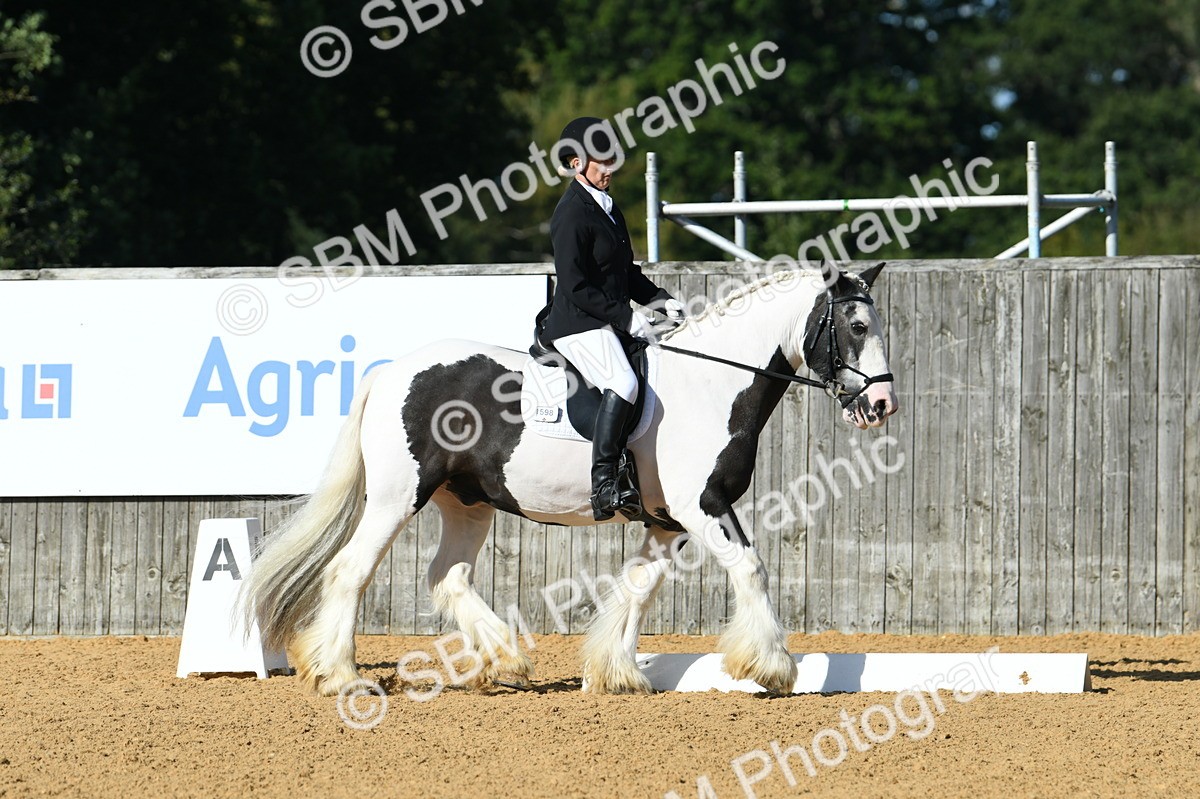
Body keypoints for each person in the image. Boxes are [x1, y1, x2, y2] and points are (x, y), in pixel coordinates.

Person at [536, 116, 685, 521]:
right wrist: (627, 318)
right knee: (623, 382)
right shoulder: (571, 212)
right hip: (577, 323)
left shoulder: (608, 207)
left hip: (606, 320)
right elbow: (574, 284)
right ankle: (604, 484)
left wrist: (660, 301)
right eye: (600, 162)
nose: (609, 169)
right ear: (576, 164)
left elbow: (625, 273)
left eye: (611, 160)